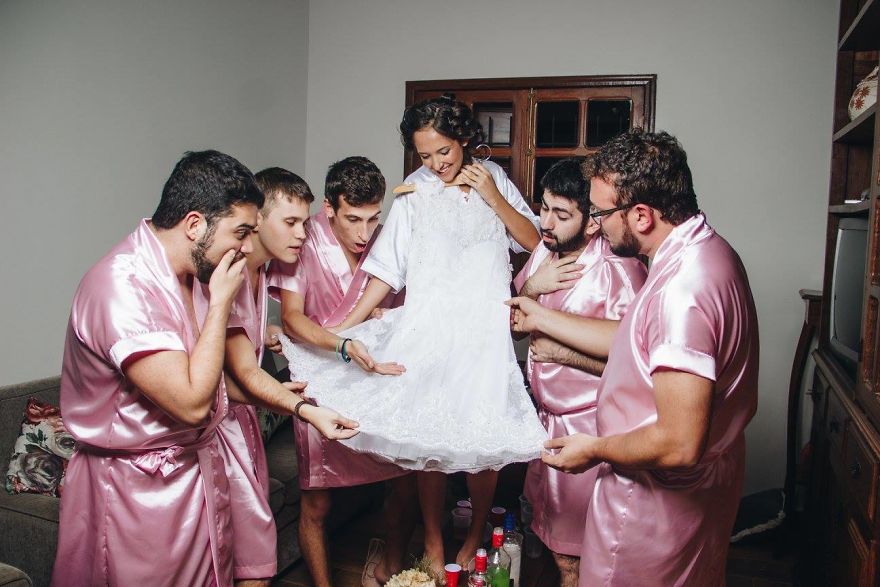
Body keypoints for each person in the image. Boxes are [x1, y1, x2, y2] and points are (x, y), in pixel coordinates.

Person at [280, 95, 548, 571]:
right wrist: (346, 328)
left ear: (463, 139)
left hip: (483, 332)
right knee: (429, 436)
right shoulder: (412, 192)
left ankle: (473, 535)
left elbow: (532, 241)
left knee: (484, 440)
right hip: (430, 327)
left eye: (443, 151)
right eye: (425, 155)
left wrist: (493, 195)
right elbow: (387, 271)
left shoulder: (494, 178)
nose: (436, 163)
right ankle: (434, 542)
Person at [507, 129, 759, 586]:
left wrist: (594, 449)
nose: (597, 226)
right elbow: (633, 340)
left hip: (651, 505)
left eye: (601, 213)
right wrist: (541, 314)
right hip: (699, 494)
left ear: (641, 215)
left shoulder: (681, 293)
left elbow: (678, 443)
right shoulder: (711, 252)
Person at [51, 150, 262, 586]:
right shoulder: (122, 285)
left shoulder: (194, 274)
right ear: (194, 224)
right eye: (240, 232)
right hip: (137, 496)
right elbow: (191, 404)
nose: (246, 248)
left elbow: (219, 380)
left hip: (194, 477)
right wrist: (221, 303)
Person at [191, 167, 360, 586]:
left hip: (244, 422)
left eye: (304, 223)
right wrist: (302, 408)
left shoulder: (264, 272)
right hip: (217, 432)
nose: (302, 234)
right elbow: (244, 371)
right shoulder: (227, 274)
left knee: (252, 557)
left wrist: (265, 335)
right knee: (243, 560)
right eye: (290, 222)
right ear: (257, 220)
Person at [267, 157, 417, 587]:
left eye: (373, 218)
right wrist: (342, 343)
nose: (365, 233)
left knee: (404, 482)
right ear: (329, 208)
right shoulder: (303, 239)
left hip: (376, 376)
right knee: (317, 502)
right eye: (353, 219)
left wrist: (386, 322)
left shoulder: (387, 240)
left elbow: (404, 310)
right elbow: (292, 318)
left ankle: (390, 567)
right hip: (320, 380)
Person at [512, 158, 646, 587]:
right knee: (553, 547)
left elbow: (641, 368)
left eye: (561, 213)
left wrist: (562, 354)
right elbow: (513, 326)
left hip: (591, 432)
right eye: (543, 207)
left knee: (577, 559)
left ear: (592, 222)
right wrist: (532, 287)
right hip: (546, 426)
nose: (545, 222)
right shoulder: (544, 251)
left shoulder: (619, 271)